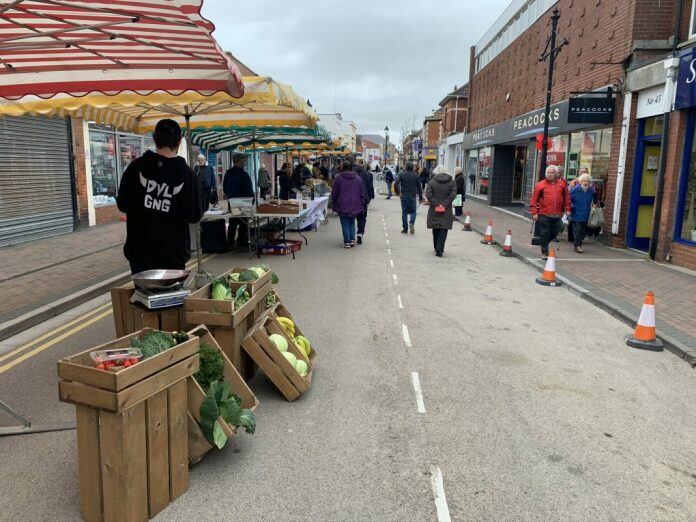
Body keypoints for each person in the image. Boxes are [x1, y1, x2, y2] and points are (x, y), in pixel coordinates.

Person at [116, 118, 203, 274]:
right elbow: (195, 215)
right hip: (174, 255)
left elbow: (123, 204)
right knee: (171, 298)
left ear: (155, 139)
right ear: (179, 141)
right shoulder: (188, 175)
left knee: (144, 297)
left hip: (140, 254)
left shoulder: (135, 167)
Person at [530, 165, 571, 260]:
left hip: (558, 214)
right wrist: (534, 212)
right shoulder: (540, 185)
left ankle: (543, 242)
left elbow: (567, 198)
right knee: (545, 233)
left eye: (552, 172)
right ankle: (545, 252)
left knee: (556, 231)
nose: (550, 174)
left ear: (556, 174)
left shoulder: (562, 184)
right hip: (544, 213)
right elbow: (533, 200)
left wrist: (568, 210)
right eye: (548, 172)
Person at [331, 160, 367, 248]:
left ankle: (347, 241)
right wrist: (361, 203)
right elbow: (361, 192)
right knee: (351, 222)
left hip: (342, 203)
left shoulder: (338, 178)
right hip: (355, 204)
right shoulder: (358, 178)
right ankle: (352, 240)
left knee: (345, 223)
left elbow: (334, 192)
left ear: (343, 167)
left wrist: (334, 202)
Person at [222, 153, 254, 250]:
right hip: (243, 202)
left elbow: (224, 188)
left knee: (233, 223)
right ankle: (240, 242)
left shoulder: (228, 174)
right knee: (244, 223)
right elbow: (248, 190)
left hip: (231, 202)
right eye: (244, 160)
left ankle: (230, 243)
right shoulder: (243, 174)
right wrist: (252, 200)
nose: (245, 162)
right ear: (240, 161)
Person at [425, 165, 457, 257]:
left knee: (435, 228)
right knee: (443, 229)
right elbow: (453, 195)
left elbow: (429, 195)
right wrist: (444, 205)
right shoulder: (452, 182)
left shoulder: (431, 182)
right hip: (446, 210)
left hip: (434, 210)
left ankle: (436, 248)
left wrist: (437, 205)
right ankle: (440, 249)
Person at [569, 173, 597, 253]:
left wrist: (594, 207)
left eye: (587, 181)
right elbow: (568, 199)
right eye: (584, 181)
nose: (585, 183)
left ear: (590, 182)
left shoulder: (591, 191)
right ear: (580, 182)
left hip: (587, 214)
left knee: (583, 231)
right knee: (577, 230)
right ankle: (577, 245)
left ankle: (579, 243)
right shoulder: (575, 190)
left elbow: (595, 199)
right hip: (576, 213)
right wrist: (572, 206)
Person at [394, 161, 423, 234]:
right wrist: (420, 198)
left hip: (404, 196)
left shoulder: (401, 174)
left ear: (406, 167)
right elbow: (419, 188)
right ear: (412, 167)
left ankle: (405, 228)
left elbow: (395, 184)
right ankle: (412, 222)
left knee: (404, 213)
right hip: (412, 197)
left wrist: (398, 193)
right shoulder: (416, 175)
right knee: (413, 212)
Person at [354, 160, 375, 244]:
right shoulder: (367, 174)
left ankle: (351, 236)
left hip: (354, 198)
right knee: (362, 218)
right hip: (363, 199)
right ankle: (360, 233)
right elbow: (370, 186)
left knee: (352, 217)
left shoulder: (353, 173)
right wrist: (370, 197)